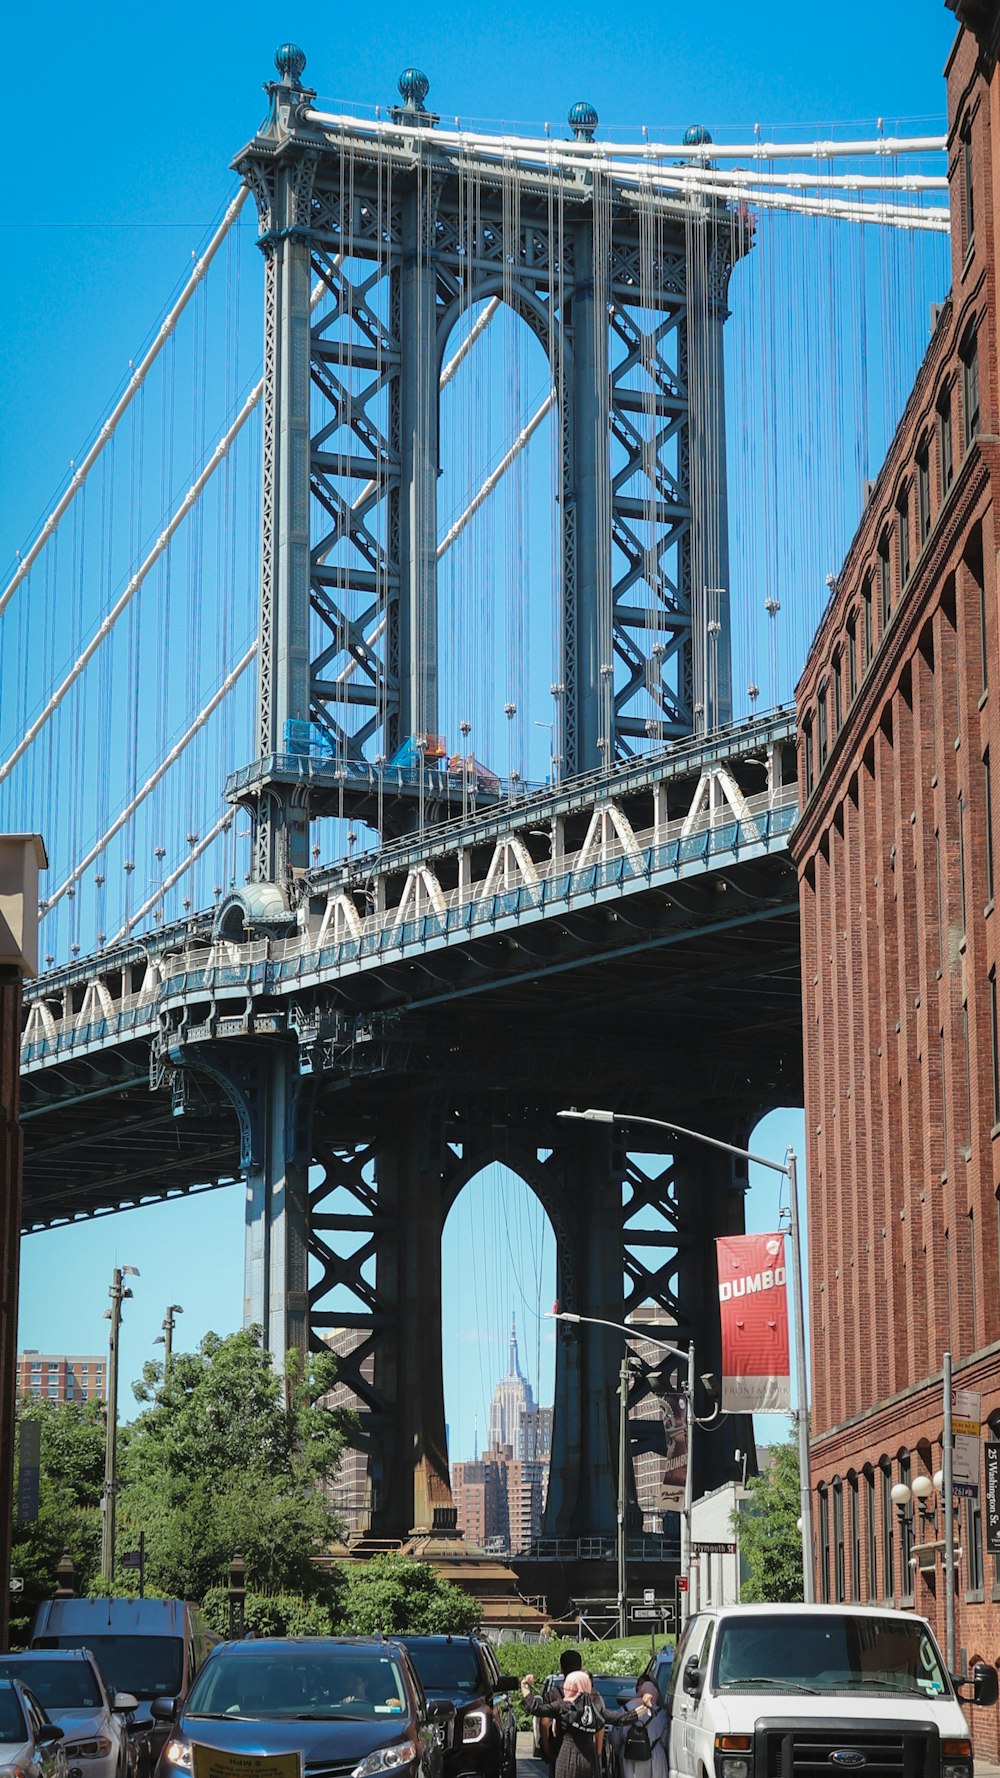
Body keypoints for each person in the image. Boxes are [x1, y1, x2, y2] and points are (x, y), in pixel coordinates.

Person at [521, 1670, 649, 1778]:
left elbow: (535, 1708)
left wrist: (525, 1686)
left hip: (566, 1756)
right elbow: (620, 1719)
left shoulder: (563, 1706)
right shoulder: (595, 1708)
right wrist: (645, 1706)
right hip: (589, 1758)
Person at [615, 1680, 667, 1778]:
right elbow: (664, 1741)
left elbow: (615, 1738)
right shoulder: (660, 1713)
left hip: (629, 1756)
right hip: (654, 1757)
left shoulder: (625, 1709)